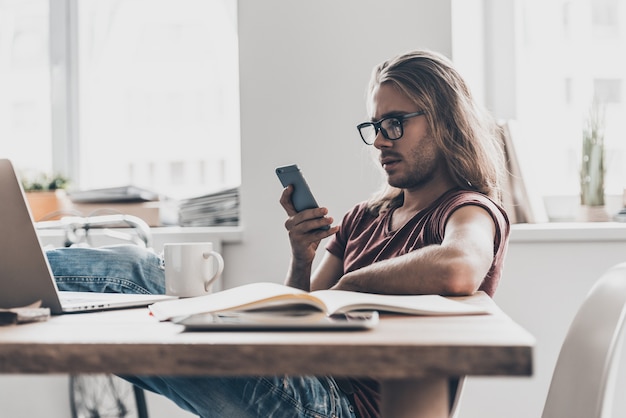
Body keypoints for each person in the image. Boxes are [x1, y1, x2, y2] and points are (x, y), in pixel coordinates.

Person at [47, 49, 510, 418]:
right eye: (374, 127)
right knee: (146, 281)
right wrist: (302, 258)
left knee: (140, 285)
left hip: (339, 408)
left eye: (394, 124)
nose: (381, 141)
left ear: (445, 120)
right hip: (300, 379)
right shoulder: (364, 217)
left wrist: (356, 282)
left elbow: (460, 267)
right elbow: (301, 320)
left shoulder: (466, 208)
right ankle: (23, 281)